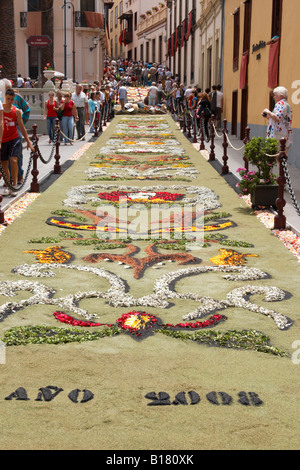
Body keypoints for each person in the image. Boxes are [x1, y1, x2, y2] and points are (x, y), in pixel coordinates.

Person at [1, 88, 34, 196]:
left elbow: (22, 127)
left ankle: (14, 185)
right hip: (3, 139)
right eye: (8, 99)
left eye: (11, 99)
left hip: (14, 138)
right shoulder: (1, 111)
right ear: (4, 98)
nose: (9, 101)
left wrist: (28, 141)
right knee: (4, 164)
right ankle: (7, 185)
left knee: (13, 160)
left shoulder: (17, 111)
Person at [4, 78, 31, 185]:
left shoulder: (17, 97)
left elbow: (27, 110)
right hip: (5, 128)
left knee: (17, 153)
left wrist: (21, 123)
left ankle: (19, 175)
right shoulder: (2, 98)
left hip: (16, 127)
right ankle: (8, 177)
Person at [263, 86, 293, 152]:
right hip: (284, 135)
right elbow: (280, 119)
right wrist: (268, 116)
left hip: (278, 135)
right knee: (282, 157)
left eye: (275, 95)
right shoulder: (287, 105)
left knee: (275, 157)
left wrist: (268, 111)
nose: (273, 97)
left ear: (281, 96)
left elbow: (277, 118)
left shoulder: (280, 104)